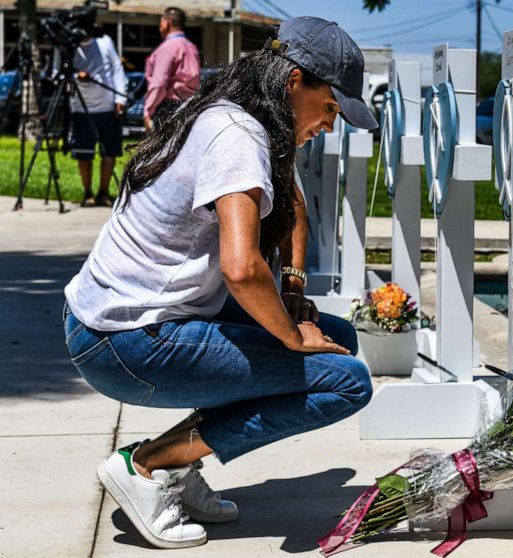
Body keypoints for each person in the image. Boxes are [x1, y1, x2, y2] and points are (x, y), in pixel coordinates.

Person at [62, 17, 379, 549]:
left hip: (129, 320)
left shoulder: (244, 114)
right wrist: (290, 336)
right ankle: (148, 464)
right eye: (330, 108)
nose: (331, 124)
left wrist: (295, 293)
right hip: (125, 342)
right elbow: (241, 268)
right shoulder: (237, 136)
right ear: (295, 80)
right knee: (346, 381)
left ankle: (178, 465)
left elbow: (293, 204)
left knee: (339, 342)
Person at [68, 7, 127, 208]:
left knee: (109, 152)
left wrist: (120, 98)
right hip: (81, 108)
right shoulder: (69, 45)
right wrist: (77, 75)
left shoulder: (105, 42)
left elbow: (117, 69)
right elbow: (62, 72)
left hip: (107, 106)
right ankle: (88, 193)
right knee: (84, 154)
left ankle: (103, 191)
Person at [143, 7, 201, 131]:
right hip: (190, 106)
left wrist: (148, 110)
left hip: (170, 108)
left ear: (167, 22)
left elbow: (159, 83)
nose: (159, 26)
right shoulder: (191, 47)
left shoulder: (167, 48)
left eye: (161, 22)